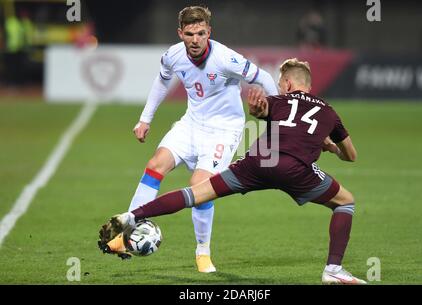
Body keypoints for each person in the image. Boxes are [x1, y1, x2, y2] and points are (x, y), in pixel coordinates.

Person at [99, 58, 366, 284]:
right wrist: (330, 146)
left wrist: (257, 110)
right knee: (345, 202)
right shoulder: (330, 113)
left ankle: (132, 215)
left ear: (286, 83)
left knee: (195, 194)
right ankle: (333, 270)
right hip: (296, 169)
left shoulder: (279, 101)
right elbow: (351, 156)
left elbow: (259, 111)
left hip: (258, 162)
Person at [101, 6, 278, 273]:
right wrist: (145, 119)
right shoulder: (173, 55)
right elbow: (162, 81)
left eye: (201, 33)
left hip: (223, 130)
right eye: (190, 33)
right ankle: (128, 235)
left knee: (199, 186)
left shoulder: (225, 58)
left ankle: (202, 252)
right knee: (155, 164)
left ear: (209, 33)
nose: (195, 39)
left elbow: (263, 77)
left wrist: (278, 117)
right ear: (180, 33)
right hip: (191, 124)